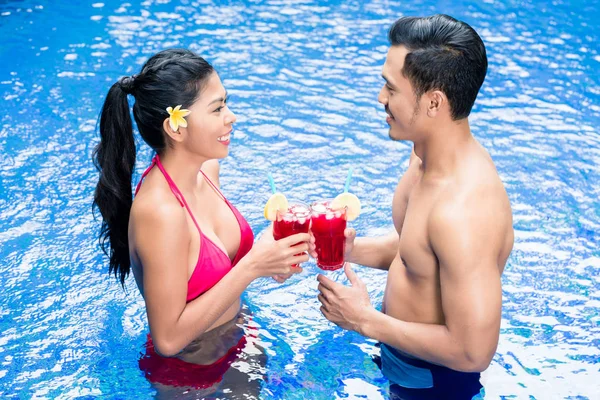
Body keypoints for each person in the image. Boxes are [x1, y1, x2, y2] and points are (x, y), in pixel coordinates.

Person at [92, 48, 312, 396]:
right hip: (192, 380)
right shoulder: (160, 213)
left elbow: (225, 271)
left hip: (241, 343)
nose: (232, 117)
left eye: (226, 103)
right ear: (176, 128)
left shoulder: (206, 171)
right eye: (217, 108)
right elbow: (168, 339)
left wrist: (273, 255)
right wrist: (252, 267)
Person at [316, 14, 514, 399]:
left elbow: (474, 351)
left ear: (434, 102)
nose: (380, 98)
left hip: (433, 384)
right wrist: (348, 250)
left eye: (391, 88)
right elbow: (415, 248)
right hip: (397, 352)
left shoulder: (465, 209)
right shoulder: (424, 159)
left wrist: (364, 321)